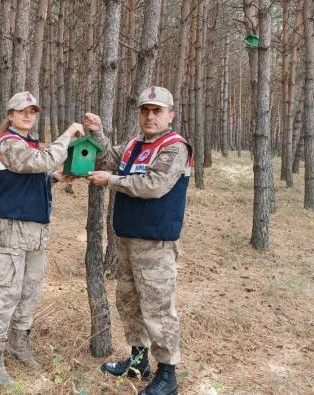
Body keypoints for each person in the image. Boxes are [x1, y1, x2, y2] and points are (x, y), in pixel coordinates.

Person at [85, 86, 192, 395]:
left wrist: (112, 181)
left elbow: (154, 185)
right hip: (127, 241)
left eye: (157, 110)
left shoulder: (174, 146)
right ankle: (137, 361)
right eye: (145, 110)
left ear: (170, 115)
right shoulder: (134, 145)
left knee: (158, 309)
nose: (150, 116)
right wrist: (98, 133)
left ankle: (167, 374)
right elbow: (108, 157)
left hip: (156, 244)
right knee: (129, 303)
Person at [0, 91, 82, 387]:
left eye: (33, 111)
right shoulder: (8, 142)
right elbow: (42, 160)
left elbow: (34, 173)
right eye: (22, 111)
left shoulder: (29, 143)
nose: (28, 115)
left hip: (36, 227)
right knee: (8, 291)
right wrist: (68, 134)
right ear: (10, 115)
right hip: (13, 226)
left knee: (31, 289)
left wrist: (54, 178)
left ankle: (19, 343)